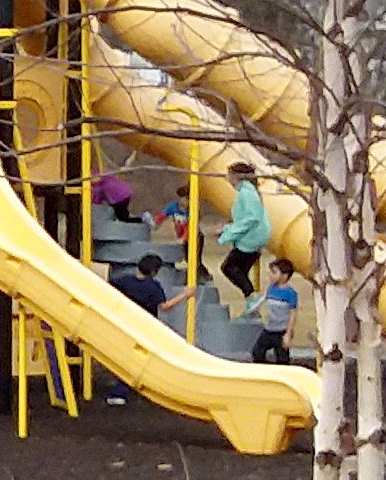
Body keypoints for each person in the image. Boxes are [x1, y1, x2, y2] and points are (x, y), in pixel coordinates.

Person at [106, 254, 196, 406]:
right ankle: (122, 391)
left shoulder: (125, 281)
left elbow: (107, 287)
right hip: (146, 327)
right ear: (155, 271)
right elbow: (164, 306)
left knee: (127, 357)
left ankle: (123, 389)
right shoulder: (153, 287)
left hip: (125, 323)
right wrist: (185, 295)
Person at [217, 162, 270, 303]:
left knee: (228, 267)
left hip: (251, 239)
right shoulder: (248, 191)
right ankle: (251, 304)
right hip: (254, 238)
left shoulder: (247, 193)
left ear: (236, 177)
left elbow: (251, 218)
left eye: (229, 175)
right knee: (240, 272)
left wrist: (228, 233)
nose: (227, 178)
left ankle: (252, 296)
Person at [154, 185, 211, 282]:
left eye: (188, 199)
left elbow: (189, 227)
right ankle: (201, 275)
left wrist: (183, 239)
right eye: (183, 198)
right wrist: (155, 223)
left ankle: (201, 276)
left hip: (195, 236)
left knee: (194, 259)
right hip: (183, 237)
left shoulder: (193, 210)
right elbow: (162, 216)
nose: (184, 201)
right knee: (187, 258)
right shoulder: (173, 206)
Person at [250, 259, 298, 365]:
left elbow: (293, 313)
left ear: (285, 275)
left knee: (282, 359)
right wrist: (254, 308)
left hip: (281, 331)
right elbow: (264, 298)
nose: (271, 275)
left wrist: (288, 333)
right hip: (269, 328)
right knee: (257, 352)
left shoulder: (290, 293)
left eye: (274, 272)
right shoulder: (271, 288)